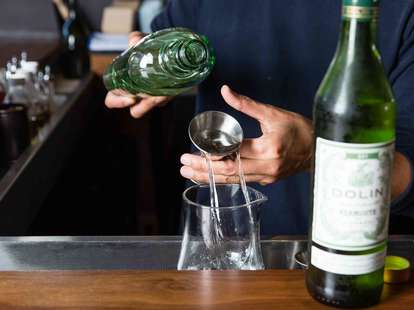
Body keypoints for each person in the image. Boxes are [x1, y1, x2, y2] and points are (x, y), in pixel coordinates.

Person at [105, 0, 414, 235]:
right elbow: (167, 35)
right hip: (219, 240)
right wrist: (147, 69)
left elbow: (408, 172)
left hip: (356, 254)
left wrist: (318, 154)